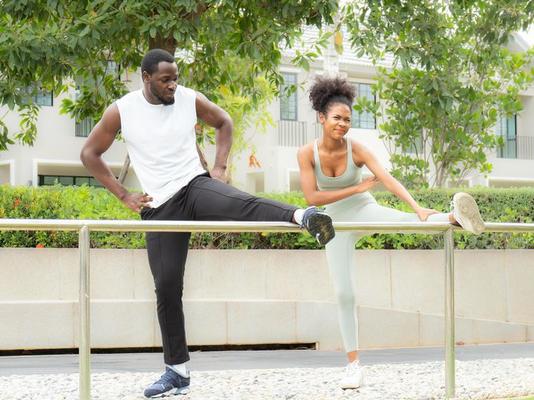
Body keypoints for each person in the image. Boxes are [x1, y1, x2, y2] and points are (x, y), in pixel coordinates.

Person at [80, 48, 335, 398]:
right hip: (159, 206)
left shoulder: (188, 99)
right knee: (167, 287)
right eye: (165, 80)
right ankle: (177, 372)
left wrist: (219, 168)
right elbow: (89, 154)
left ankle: (303, 217)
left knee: (243, 204)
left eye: (176, 78)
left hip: (194, 185)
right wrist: (124, 195)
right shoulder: (122, 110)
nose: (173, 85)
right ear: (146, 78)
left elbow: (224, 122)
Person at [297, 75, 485, 390]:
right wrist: (357, 186)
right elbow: (312, 199)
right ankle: (353, 366)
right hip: (333, 224)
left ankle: (453, 216)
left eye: (347, 119)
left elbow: (387, 179)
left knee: (415, 221)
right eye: (336, 118)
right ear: (321, 118)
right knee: (344, 293)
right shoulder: (306, 154)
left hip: (363, 210)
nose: (342, 124)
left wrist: (417, 206)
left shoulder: (356, 148)